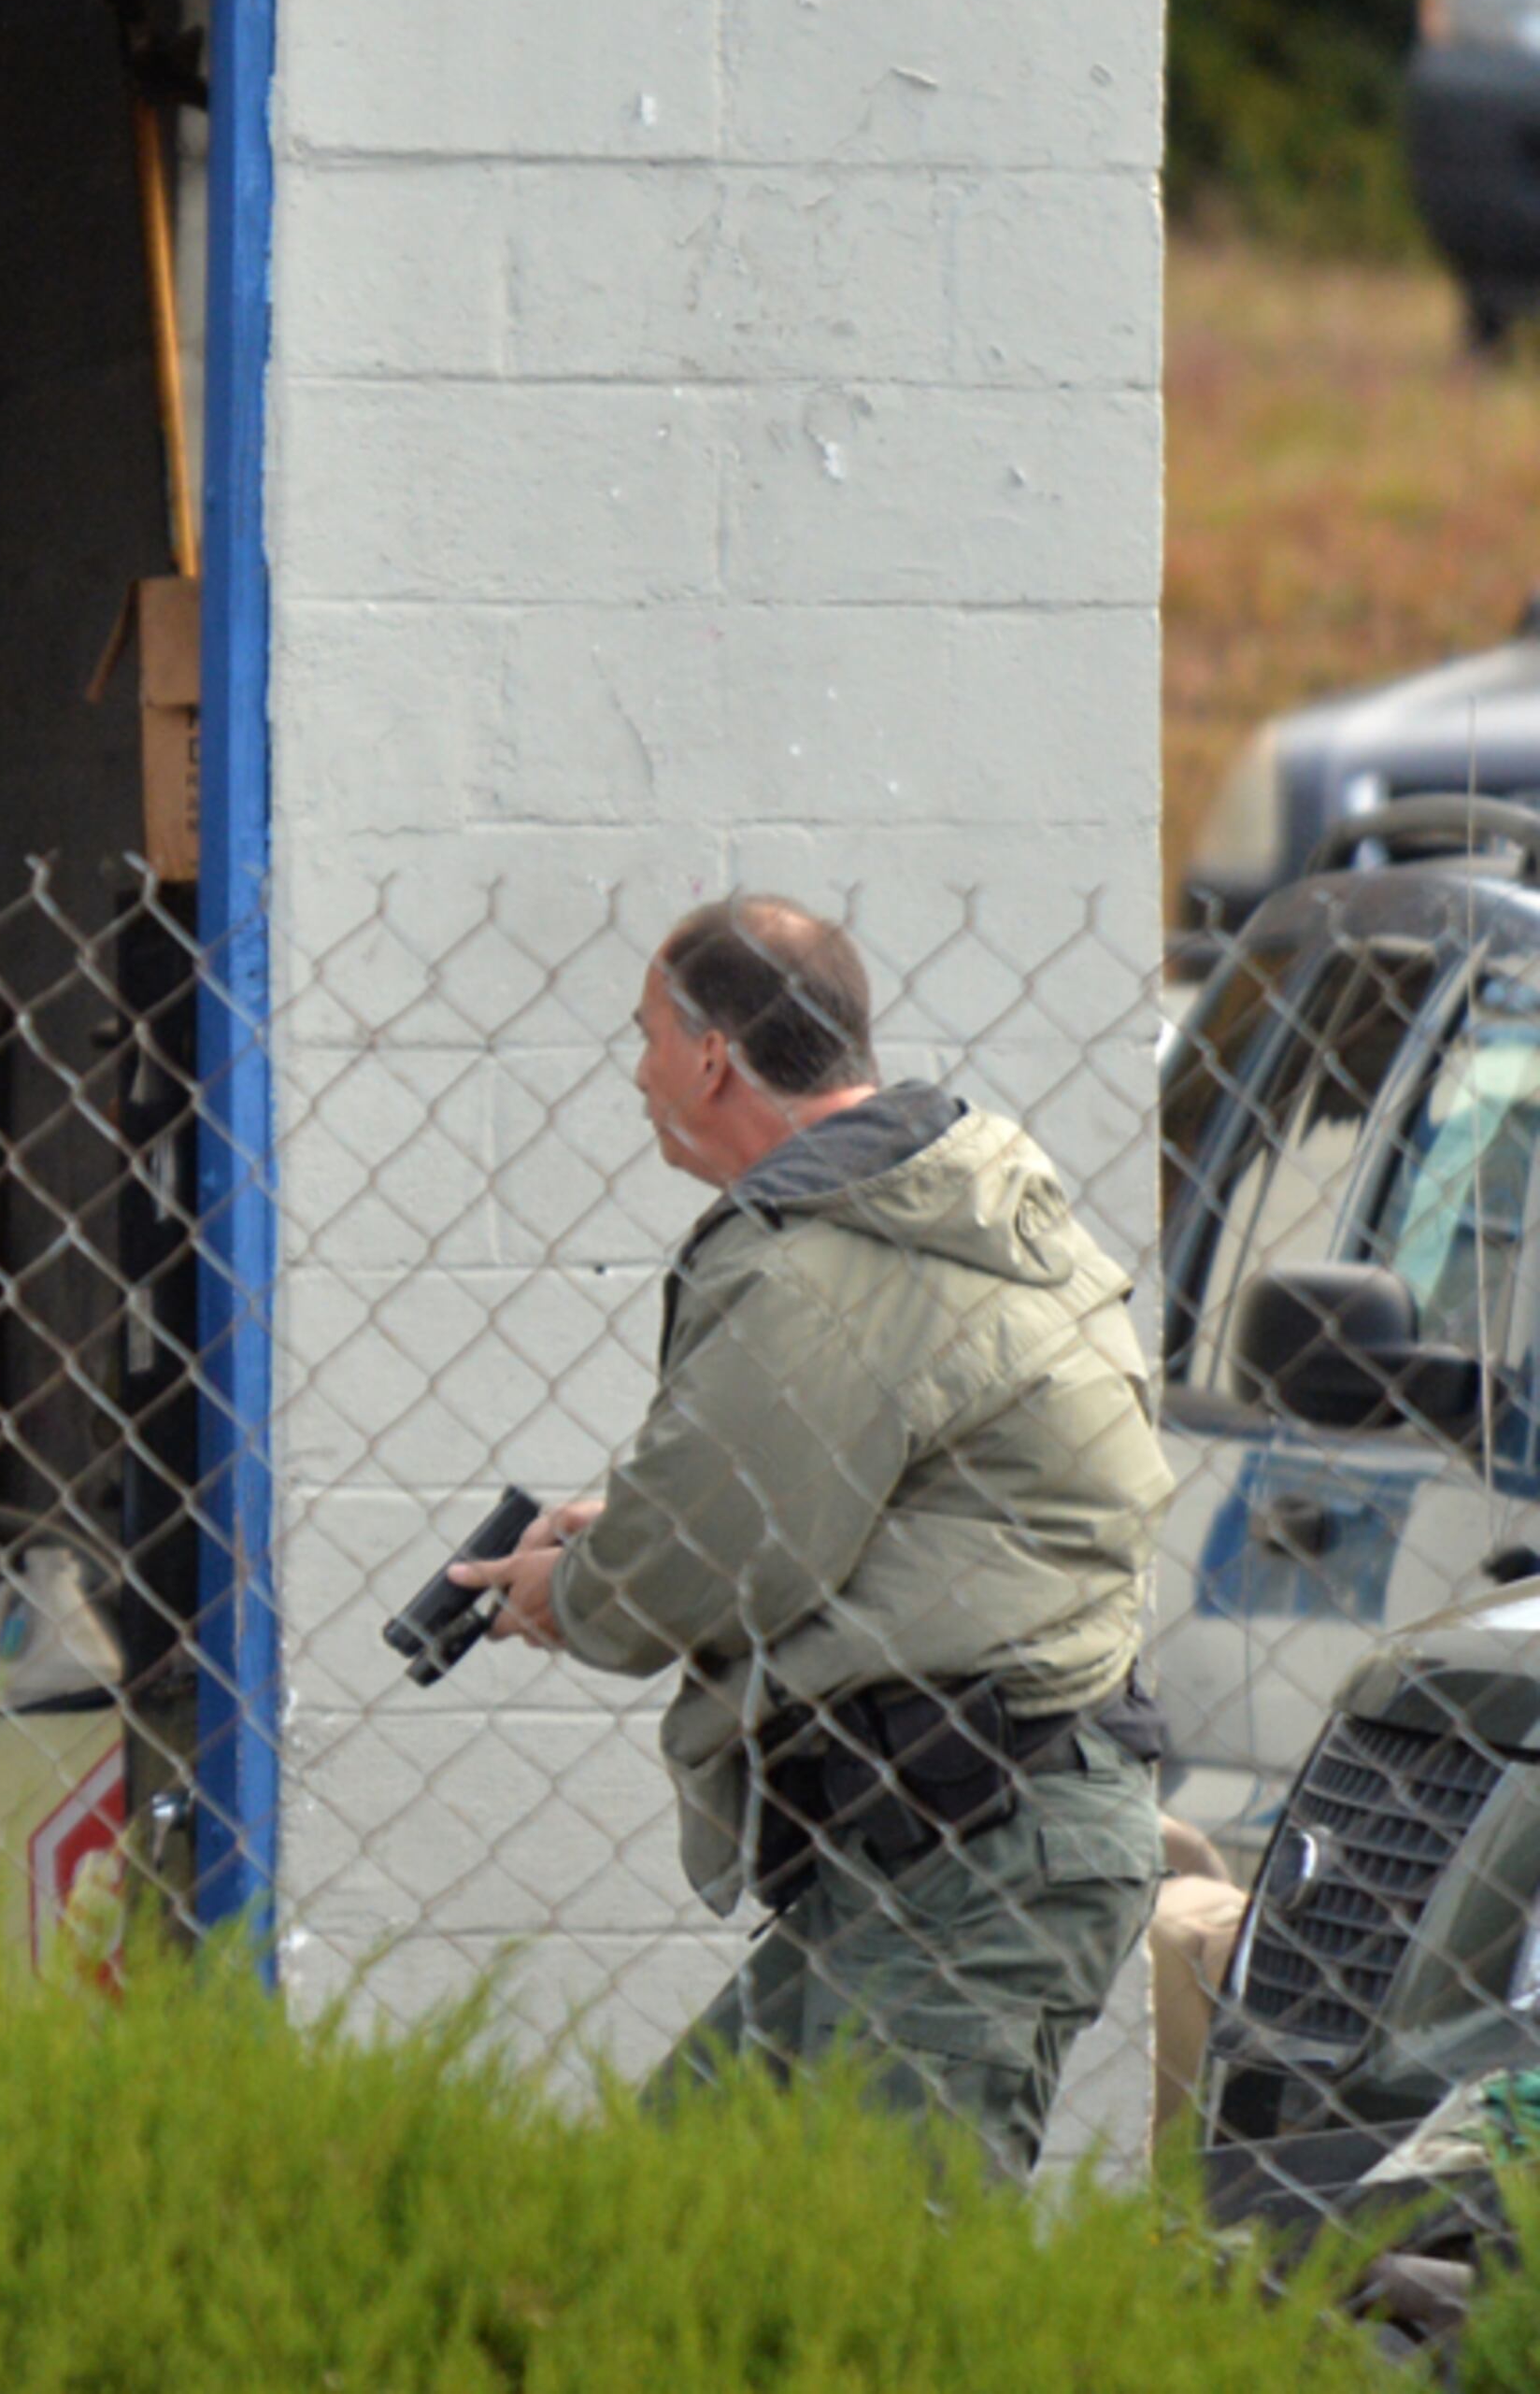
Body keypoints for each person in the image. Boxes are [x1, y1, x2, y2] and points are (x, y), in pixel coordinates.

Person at [449, 896, 1171, 2179]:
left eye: (647, 1038)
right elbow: (905, 1487)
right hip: (954, 1840)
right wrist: (643, 1526)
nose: (637, 1071)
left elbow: (718, 1558)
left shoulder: (819, 1253)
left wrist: (582, 1588)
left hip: (973, 1855)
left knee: (890, 2298)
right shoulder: (933, 1193)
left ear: (713, 1054)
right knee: (679, 2215)